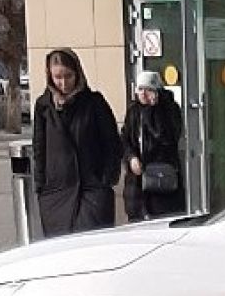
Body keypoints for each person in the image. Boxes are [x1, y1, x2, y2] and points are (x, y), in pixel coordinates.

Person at [32, 49, 121, 238]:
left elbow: (112, 143)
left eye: (68, 76)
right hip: (56, 192)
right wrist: (41, 185)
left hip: (92, 188)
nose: (63, 83)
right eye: (57, 77)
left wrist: (107, 179)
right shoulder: (43, 106)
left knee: (93, 246)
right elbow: (39, 148)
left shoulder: (94, 103)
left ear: (78, 73)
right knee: (62, 252)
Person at [121, 70, 186, 222]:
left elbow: (167, 137)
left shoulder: (169, 109)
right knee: (136, 222)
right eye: (140, 89)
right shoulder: (133, 111)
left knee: (163, 219)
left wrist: (152, 110)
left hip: (161, 177)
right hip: (137, 182)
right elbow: (125, 139)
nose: (143, 94)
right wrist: (131, 157)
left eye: (149, 89)